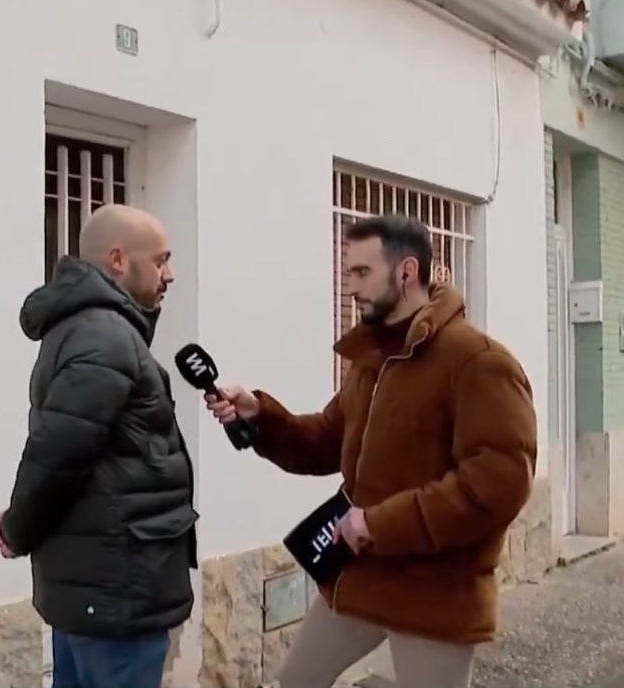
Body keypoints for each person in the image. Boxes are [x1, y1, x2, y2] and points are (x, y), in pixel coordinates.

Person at [206, 213, 537, 688]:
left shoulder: (479, 362)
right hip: (360, 578)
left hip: (435, 595)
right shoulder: (373, 362)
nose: (351, 287)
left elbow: (497, 483)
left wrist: (379, 524)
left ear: (406, 272)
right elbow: (324, 441)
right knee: (296, 682)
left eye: (362, 273)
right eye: (348, 273)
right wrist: (260, 416)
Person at [0, 204, 197, 688]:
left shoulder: (96, 330)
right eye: (161, 260)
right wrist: (18, 530)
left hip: (99, 585)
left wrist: (21, 521)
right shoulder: (105, 337)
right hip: (116, 590)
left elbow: (74, 449)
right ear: (119, 260)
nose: (170, 275)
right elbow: (57, 453)